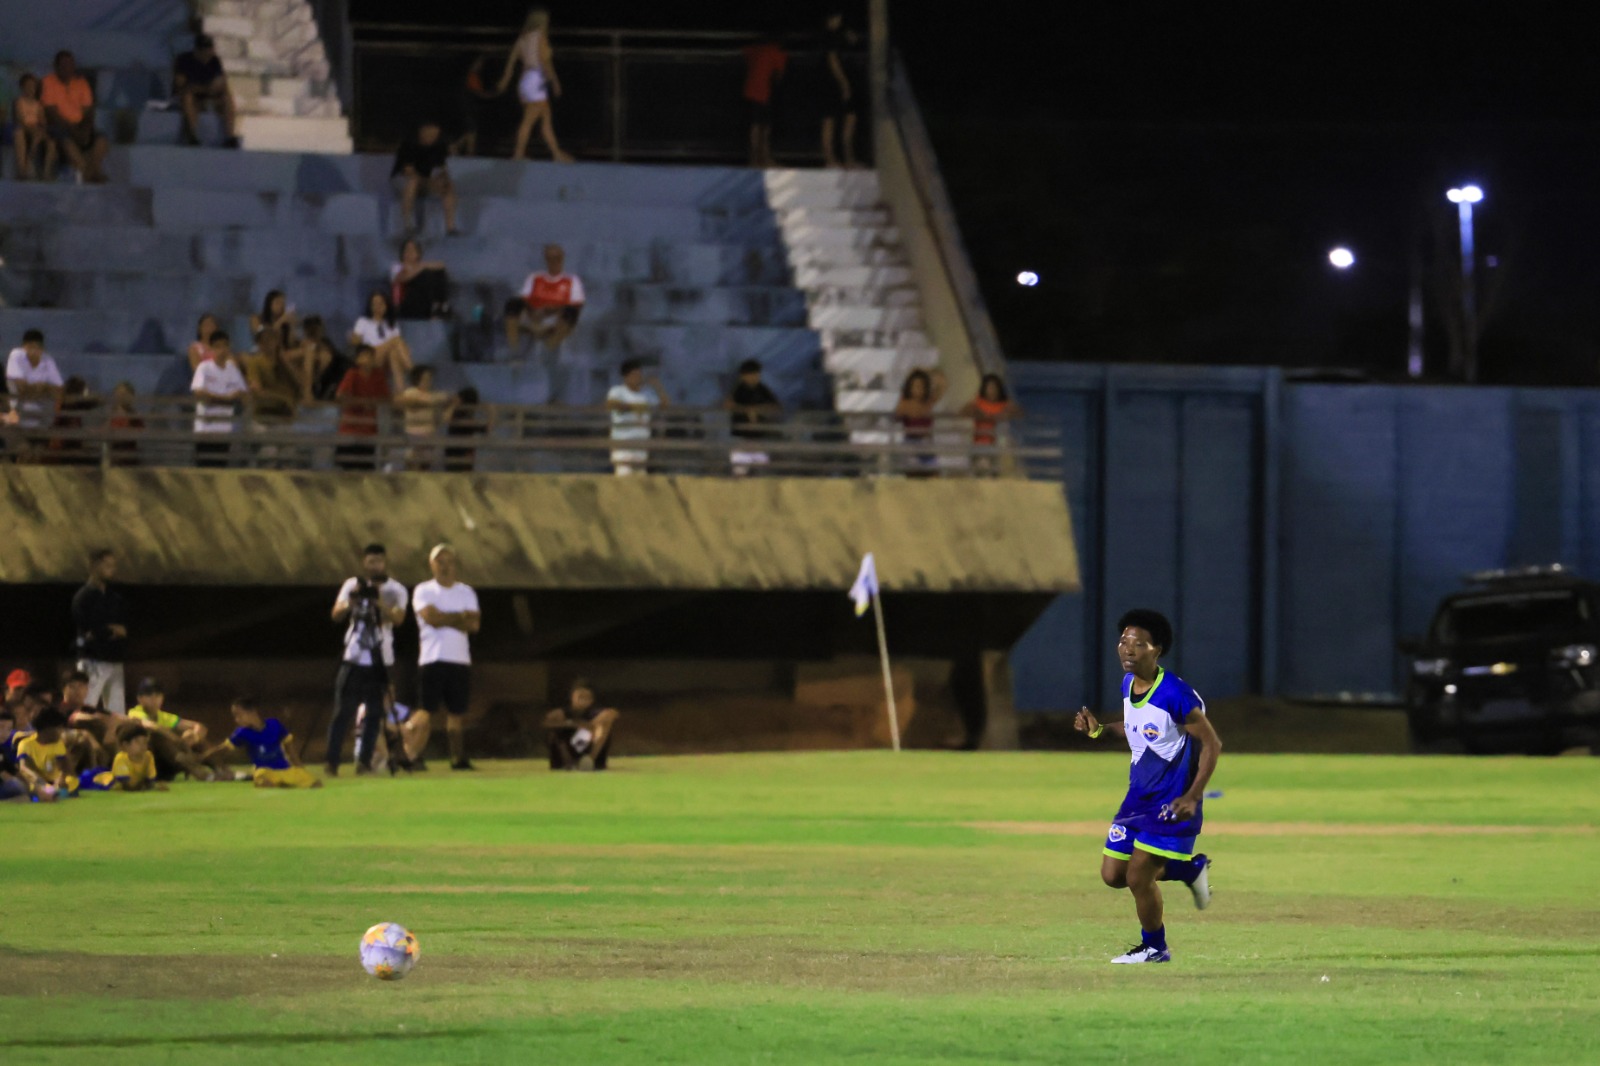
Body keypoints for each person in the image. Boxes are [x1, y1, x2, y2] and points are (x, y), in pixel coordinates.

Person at [1073, 609, 1224, 965]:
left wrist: (1192, 796)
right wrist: (1098, 730)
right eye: (1124, 641)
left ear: (1156, 651)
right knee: (1113, 875)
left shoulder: (1176, 695)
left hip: (1172, 802)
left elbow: (1212, 744)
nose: (1127, 649)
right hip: (1137, 799)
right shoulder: (1129, 685)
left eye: (1138, 644)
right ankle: (1190, 869)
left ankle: (1155, 947)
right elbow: (1136, 727)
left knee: (1139, 875)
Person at [328, 544, 410, 776]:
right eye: (371, 562)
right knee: (342, 710)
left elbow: (399, 619)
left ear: (385, 562)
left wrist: (379, 603)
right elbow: (335, 614)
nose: (375, 566)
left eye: (379, 562)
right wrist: (350, 603)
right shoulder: (352, 585)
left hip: (380, 658)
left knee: (375, 713)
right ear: (365, 563)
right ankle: (332, 761)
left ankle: (364, 762)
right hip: (353, 657)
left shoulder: (396, 590)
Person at [412, 543, 481, 771]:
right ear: (432, 565)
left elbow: (473, 624)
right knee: (425, 710)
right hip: (433, 657)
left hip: (459, 659)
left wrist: (447, 618)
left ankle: (457, 758)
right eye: (439, 561)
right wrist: (459, 618)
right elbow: (431, 618)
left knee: (457, 712)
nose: (444, 566)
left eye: (448, 561)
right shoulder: (424, 590)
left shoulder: (466, 591)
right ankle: (411, 753)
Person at [496, 7, 574, 163]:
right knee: (529, 120)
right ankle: (518, 155)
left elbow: (510, 65)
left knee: (545, 118)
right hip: (537, 78)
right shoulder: (540, 37)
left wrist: (505, 81)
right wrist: (555, 81)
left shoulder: (522, 39)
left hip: (525, 80)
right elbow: (545, 61)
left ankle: (556, 153)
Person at [208, 697, 322, 789]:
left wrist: (298, 765)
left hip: (284, 768)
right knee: (261, 777)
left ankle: (284, 782)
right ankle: (280, 783)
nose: (236, 719)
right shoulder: (241, 732)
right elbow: (223, 749)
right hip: (265, 770)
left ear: (252, 712)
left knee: (315, 784)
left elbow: (289, 745)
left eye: (239, 715)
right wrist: (203, 757)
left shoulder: (274, 724)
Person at [127, 677, 222, 781]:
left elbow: (199, 726)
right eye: (149, 695)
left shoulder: (164, 716)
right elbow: (152, 726)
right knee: (159, 736)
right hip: (150, 763)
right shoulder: (135, 713)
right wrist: (178, 741)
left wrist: (193, 737)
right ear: (140, 699)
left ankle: (223, 771)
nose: (154, 699)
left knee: (198, 740)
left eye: (158, 695)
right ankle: (202, 774)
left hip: (170, 762)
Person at [72, 549, 129, 715]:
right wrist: (110, 630)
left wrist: (114, 630)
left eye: (113, 565)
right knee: (86, 707)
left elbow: (124, 627)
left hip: (114, 659)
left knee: (117, 713)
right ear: (94, 566)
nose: (112, 569)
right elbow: (89, 631)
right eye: (107, 565)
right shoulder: (83, 597)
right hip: (93, 660)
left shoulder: (114, 598)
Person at [41, 51, 109, 184]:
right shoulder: (48, 82)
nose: (68, 68)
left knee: (102, 139)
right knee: (64, 139)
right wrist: (73, 131)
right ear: (56, 66)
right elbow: (51, 113)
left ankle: (92, 170)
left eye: (70, 64)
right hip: (59, 126)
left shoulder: (81, 83)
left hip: (80, 126)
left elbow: (88, 112)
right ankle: (87, 172)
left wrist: (85, 130)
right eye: (64, 65)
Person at [504, 243, 585, 352]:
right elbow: (524, 299)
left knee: (572, 312)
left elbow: (577, 305)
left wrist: (550, 311)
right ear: (546, 260)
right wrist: (534, 311)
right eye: (550, 258)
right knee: (512, 304)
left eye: (557, 258)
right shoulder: (535, 278)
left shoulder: (572, 281)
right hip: (533, 316)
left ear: (562, 259)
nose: (554, 262)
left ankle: (549, 347)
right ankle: (513, 347)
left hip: (556, 319)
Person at [190, 330, 248, 467]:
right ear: (211, 348)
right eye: (218, 346)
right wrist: (225, 398)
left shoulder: (232, 370)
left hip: (224, 429)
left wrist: (218, 398)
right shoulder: (204, 368)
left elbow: (242, 393)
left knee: (221, 467)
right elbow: (199, 392)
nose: (222, 350)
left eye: (225, 346)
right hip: (206, 429)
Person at [392, 121, 460, 237]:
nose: (432, 136)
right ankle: (408, 225)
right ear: (421, 131)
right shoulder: (409, 144)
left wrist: (443, 179)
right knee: (413, 183)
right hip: (403, 180)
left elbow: (441, 168)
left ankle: (450, 227)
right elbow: (409, 172)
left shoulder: (439, 146)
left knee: (447, 185)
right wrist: (431, 183)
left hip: (425, 181)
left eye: (435, 133)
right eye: (429, 132)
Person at [172, 34, 240, 148]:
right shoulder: (184, 60)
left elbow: (222, 81)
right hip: (191, 96)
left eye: (209, 49)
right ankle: (192, 136)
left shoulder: (214, 61)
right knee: (188, 98)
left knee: (226, 97)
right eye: (204, 50)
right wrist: (204, 88)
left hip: (208, 96)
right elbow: (181, 86)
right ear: (197, 50)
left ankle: (230, 136)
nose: (207, 53)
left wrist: (217, 87)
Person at [542, 677, 620, 771]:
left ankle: (590, 760)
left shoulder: (593, 712)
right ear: (572, 697)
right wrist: (573, 724)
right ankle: (569, 763)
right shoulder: (563, 713)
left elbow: (612, 713)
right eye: (580, 697)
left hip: (587, 750)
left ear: (591, 700)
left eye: (586, 697)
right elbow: (546, 722)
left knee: (603, 726)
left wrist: (590, 725)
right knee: (555, 731)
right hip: (568, 751)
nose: (583, 700)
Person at [606, 359, 669, 475]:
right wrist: (634, 407)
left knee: (640, 479)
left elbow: (664, 404)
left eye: (639, 375)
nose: (638, 378)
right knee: (623, 476)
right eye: (634, 375)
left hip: (641, 444)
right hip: (623, 443)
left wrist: (657, 386)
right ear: (626, 376)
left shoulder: (647, 394)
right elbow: (612, 404)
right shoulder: (617, 391)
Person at [334, 345, 391, 470]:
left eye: (370, 356)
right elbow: (341, 395)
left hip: (369, 430)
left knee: (366, 468)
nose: (368, 359)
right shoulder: (352, 374)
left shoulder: (378, 375)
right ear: (357, 359)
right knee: (346, 467)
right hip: (350, 429)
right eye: (364, 356)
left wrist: (372, 402)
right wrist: (361, 403)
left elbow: (385, 397)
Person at [724, 358, 782, 475]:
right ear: (743, 376)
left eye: (756, 374)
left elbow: (776, 407)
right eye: (751, 374)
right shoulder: (738, 389)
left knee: (762, 472)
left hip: (758, 438)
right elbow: (728, 405)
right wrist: (747, 411)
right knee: (739, 472)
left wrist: (757, 410)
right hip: (741, 438)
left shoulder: (762, 389)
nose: (754, 377)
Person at [7, 329, 64, 448]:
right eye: (30, 347)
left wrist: (43, 387)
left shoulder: (47, 360)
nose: (33, 351)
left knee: (37, 457)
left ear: (42, 348)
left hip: (42, 420)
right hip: (18, 418)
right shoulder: (16, 355)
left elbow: (59, 391)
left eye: (37, 347)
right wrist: (45, 389)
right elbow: (22, 389)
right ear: (23, 347)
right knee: (22, 453)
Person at [349, 291, 414, 394]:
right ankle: (413, 371)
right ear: (370, 306)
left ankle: (400, 393)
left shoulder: (392, 324)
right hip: (370, 355)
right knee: (396, 340)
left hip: (386, 359)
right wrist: (354, 337)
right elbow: (355, 342)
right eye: (375, 304)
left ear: (386, 305)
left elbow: (399, 347)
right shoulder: (363, 321)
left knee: (394, 354)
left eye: (381, 304)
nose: (378, 307)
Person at [820, 12, 861, 169]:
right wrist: (844, 84)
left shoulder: (841, 34)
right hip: (831, 83)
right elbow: (833, 61)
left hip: (848, 80)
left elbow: (854, 40)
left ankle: (849, 159)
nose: (838, 21)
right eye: (834, 18)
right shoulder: (828, 37)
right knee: (829, 120)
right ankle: (830, 159)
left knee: (850, 118)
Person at [960, 373, 1023, 474]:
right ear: (984, 388)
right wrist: (976, 411)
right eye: (989, 387)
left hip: (998, 444)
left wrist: (1006, 414)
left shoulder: (1004, 404)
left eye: (994, 388)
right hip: (980, 443)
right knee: (982, 466)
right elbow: (963, 413)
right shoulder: (978, 402)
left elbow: (1020, 413)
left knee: (997, 468)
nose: (991, 391)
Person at [78, 721, 166, 792]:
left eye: (145, 742)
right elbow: (125, 785)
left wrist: (154, 786)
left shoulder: (148, 756)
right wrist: (143, 787)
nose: (143, 745)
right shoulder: (121, 758)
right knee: (83, 781)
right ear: (125, 745)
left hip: (132, 784)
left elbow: (150, 779)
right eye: (137, 742)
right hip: (106, 783)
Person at [742, 29, 787, 168]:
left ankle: (754, 159)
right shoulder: (778, 52)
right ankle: (765, 158)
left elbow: (745, 52)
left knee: (755, 125)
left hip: (750, 90)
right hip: (764, 92)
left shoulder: (755, 49)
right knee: (765, 126)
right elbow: (779, 75)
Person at [397, 365, 455, 470]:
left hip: (429, 434)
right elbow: (410, 403)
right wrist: (432, 403)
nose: (428, 381)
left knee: (426, 465)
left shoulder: (434, 395)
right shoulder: (411, 392)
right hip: (414, 434)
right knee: (413, 464)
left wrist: (449, 409)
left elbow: (451, 398)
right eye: (425, 378)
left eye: (430, 378)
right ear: (417, 379)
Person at [894, 369, 945, 477]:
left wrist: (928, 374)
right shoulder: (905, 403)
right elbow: (896, 417)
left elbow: (942, 387)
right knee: (914, 477)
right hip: (911, 443)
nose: (918, 389)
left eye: (921, 386)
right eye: (915, 386)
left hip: (927, 443)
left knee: (934, 476)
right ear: (910, 387)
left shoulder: (928, 402)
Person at [16, 706, 75, 800]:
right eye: (59, 728)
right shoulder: (26, 744)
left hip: (54, 781)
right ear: (47, 729)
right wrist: (39, 781)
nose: (61, 732)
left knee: (71, 782)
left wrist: (61, 778)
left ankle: (54, 793)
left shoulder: (58, 744)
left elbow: (64, 768)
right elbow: (23, 768)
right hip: (36, 781)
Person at [391, 239, 453, 320]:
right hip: (404, 304)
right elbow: (402, 279)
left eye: (413, 250)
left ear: (418, 254)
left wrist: (420, 267)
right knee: (425, 275)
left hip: (423, 301)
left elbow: (441, 265)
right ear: (402, 253)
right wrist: (420, 268)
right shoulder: (397, 267)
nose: (410, 252)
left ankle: (440, 306)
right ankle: (437, 308)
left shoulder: (421, 267)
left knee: (438, 273)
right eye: (407, 250)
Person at [11, 73, 56, 181]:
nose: (30, 89)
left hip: (36, 129)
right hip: (25, 128)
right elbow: (19, 119)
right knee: (20, 133)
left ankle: (46, 172)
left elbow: (43, 121)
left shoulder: (38, 104)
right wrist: (31, 127)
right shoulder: (19, 102)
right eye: (28, 86)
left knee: (51, 143)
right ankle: (23, 169)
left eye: (32, 86)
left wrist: (41, 125)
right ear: (22, 87)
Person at [452, 55, 498, 156]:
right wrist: (493, 95)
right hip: (467, 106)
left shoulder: (473, 76)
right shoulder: (471, 76)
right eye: (478, 63)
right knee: (472, 129)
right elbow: (479, 93)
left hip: (469, 106)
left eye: (480, 63)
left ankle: (457, 146)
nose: (480, 65)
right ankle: (469, 152)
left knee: (471, 129)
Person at [302, 316, 348, 401]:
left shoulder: (325, 345)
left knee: (318, 355)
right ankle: (309, 391)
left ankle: (309, 392)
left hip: (332, 378)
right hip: (320, 381)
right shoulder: (306, 345)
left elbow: (328, 357)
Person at [444, 387, 488, 472]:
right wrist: (491, 412)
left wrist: (453, 405)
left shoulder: (461, 414)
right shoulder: (462, 414)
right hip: (460, 453)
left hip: (457, 453)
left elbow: (447, 419)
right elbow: (486, 429)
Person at [106, 382, 144, 467]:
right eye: (117, 393)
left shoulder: (134, 415)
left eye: (122, 394)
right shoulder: (112, 413)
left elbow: (139, 432)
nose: (119, 396)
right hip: (114, 457)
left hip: (128, 458)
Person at [0, 708, 29, 801]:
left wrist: (32, 784)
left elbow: (13, 770)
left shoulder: (2, 749)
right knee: (17, 787)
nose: (4, 733)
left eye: (8, 729)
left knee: (25, 797)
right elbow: (3, 774)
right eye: (1, 727)